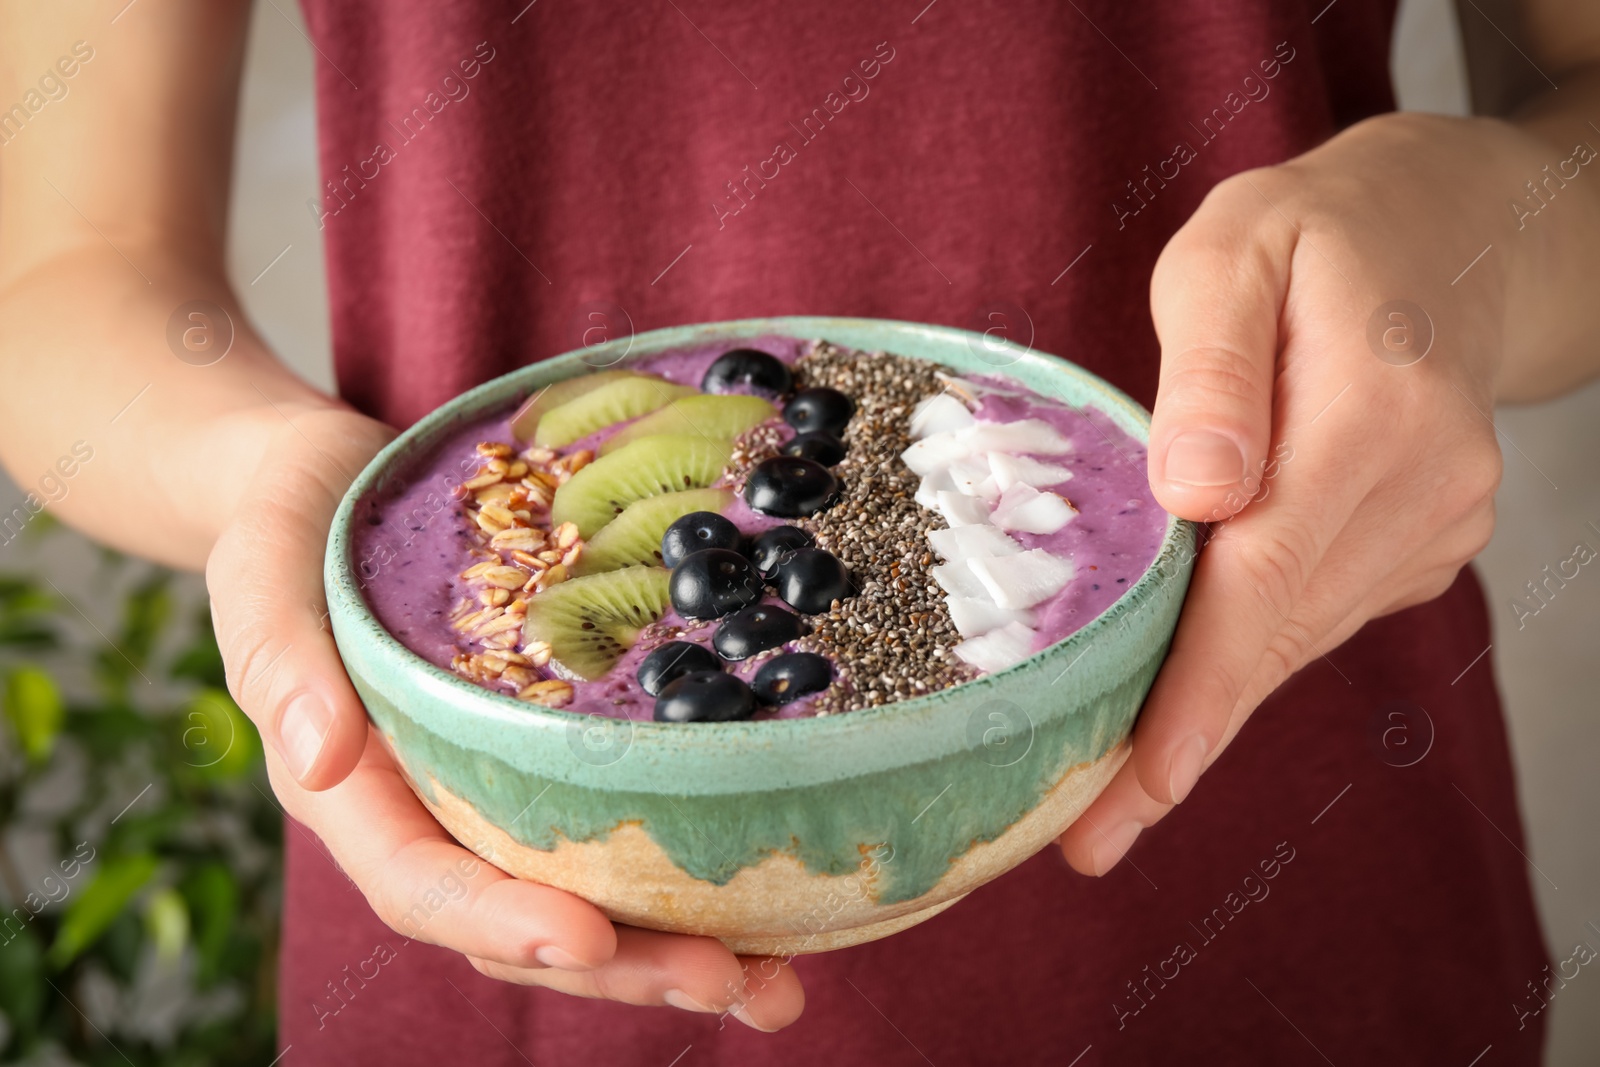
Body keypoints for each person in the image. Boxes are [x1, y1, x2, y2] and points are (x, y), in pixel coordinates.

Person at [3, 0, 1596, 1061]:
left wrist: (1458, 231)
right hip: (501, 881)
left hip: (1289, 869)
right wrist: (267, 470)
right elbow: (59, 268)